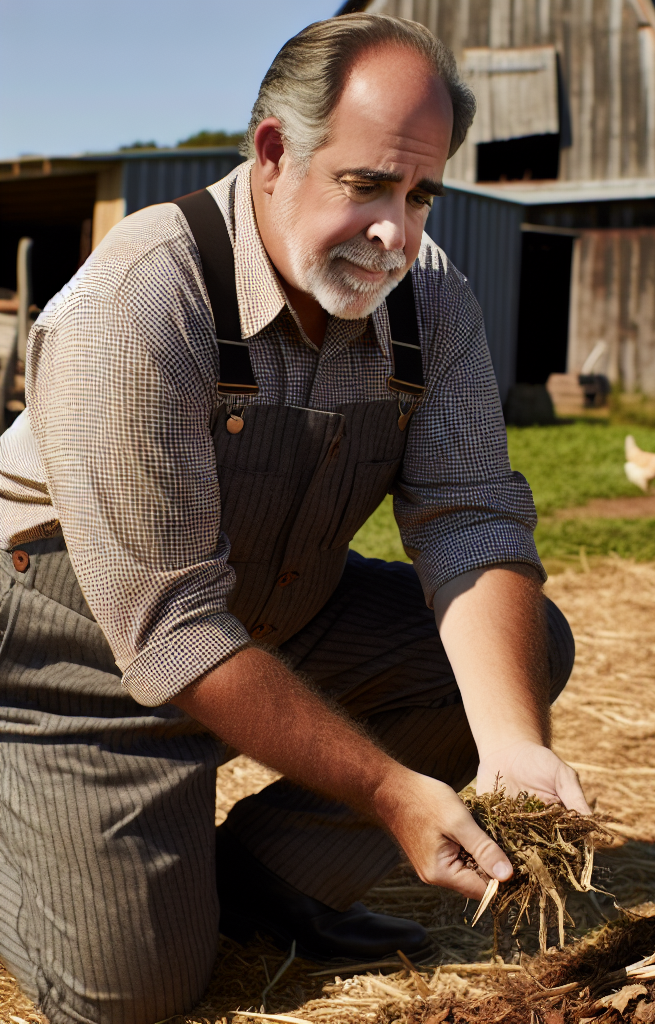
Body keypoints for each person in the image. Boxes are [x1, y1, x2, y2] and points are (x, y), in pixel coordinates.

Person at [0, 14, 588, 1024]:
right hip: (73, 656)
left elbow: (469, 515)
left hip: (273, 611)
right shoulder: (143, 293)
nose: (397, 233)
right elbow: (173, 626)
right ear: (274, 151)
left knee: (525, 649)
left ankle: (270, 876)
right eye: (367, 186)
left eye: (419, 193)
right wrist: (392, 790)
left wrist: (510, 746)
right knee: (132, 993)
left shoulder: (429, 296)